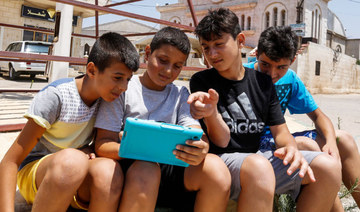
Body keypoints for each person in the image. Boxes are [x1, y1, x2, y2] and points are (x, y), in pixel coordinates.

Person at [188, 8, 342, 212]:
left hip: (257, 157)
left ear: (240, 40)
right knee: (258, 166)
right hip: (223, 163)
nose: (212, 54)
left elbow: (281, 132)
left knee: (328, 167)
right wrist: (210, 112)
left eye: (219, 44)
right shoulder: (202, 81)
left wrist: (290, 149)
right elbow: (220, 142)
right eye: (206, 48)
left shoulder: (263, 82)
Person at [94, 26, 231, 212]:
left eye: (177, 66)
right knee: (146, 169)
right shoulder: (123, 88)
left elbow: (194, 133)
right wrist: (140, 147)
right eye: (163, 60)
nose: (168, 71)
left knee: (216, 168)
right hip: (132, 169)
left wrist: (201, 147)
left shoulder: (180, 94)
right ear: (148, 53)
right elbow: (103, 144)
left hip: (170, 170)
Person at [0, 32, 139, 212]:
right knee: (72, 161)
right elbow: (10, 161)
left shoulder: (108, 100)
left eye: (128, 79)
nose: (124, 87)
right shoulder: (56, 96)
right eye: (118, 77)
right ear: (91, 70)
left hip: (75, 171)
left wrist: (87, 150)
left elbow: (99, 145)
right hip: (36, 174)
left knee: (109, 171)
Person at [243, 25, 360, 210]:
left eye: (281, 67)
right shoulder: (242, 75)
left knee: (343, 139)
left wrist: (330, 144)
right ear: (257, 54)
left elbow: (318, 116)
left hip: (278, 139)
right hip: (256, 144)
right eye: (265, 64)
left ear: (293, 59)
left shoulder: (290, 79)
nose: (272, 74)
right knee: (308, 146)